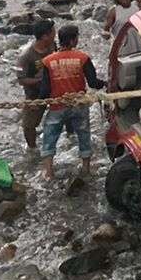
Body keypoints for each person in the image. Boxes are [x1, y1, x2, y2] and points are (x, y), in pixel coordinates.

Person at [37, 23, 103, 181]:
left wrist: (38, 103)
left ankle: (48, 172)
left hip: (57, 106)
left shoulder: (48, 61)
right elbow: (93, 82)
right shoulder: (83, 58)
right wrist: (106, 84)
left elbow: (45, 89)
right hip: (78, 105)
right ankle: (86, 168)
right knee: (84, 134)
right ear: (73, 40)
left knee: (50, 136)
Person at [15, 20, 58, 155]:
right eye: (53, 31)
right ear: (45, 36)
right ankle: (32, 149)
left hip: (54, 89)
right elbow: (21, 79)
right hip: (35, 93)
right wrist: (39, 80)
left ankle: (70, 134)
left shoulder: (52, 46)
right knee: (29, 125)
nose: (55, 33)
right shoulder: (26, 56)